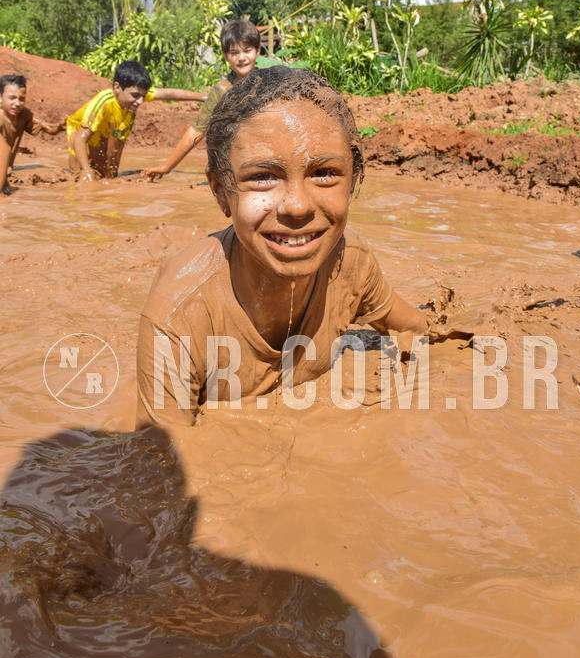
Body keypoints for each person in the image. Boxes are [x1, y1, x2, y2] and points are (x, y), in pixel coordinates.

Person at [136, 66, 427, 429]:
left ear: (352, 182)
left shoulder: (351, 265)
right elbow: (159, 467)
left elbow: (417, 330)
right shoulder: (180, 313)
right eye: (262, 177)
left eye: (323, 173)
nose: (298, 206)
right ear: (220, 193)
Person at [143, 19, 261, 181]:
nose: (242, 58)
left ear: (258, 51)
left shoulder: (268, 81)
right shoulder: (221, 91)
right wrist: (167, 167)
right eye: (234, 53)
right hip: (237, 160)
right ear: (226, 56)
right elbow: (197, 131)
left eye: (247, 51)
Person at [66, 60, 205, 181]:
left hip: (107, 133)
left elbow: (168, 93)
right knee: (83, 178)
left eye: (143, 96)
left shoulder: (136, 96)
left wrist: (204, 98)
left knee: (109, 175)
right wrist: (86, 171)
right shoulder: (103, 102)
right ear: (117, 87)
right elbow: (80, 138)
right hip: (80, 142)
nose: (140, 101)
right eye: (135, 96)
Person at [0, 74, 64, 194]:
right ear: (0, 97)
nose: (17, 103)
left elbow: (49, 129)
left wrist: (62, 126)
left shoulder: (24, 115)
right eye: (12, 98)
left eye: (21, 99)